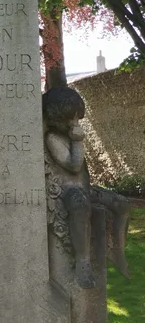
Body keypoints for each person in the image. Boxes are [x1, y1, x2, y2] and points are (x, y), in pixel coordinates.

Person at [43, 87, 130, 288]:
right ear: (58, 119)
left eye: (77, 118)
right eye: (71, 120)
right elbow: (73, 165)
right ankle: (83, 260)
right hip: (68, 191)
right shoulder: (53, 139)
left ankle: (117, 250)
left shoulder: (69, 136)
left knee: (122, 204)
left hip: (83, 187)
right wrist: (77, 141)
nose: (76, 123)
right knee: (80, 205)